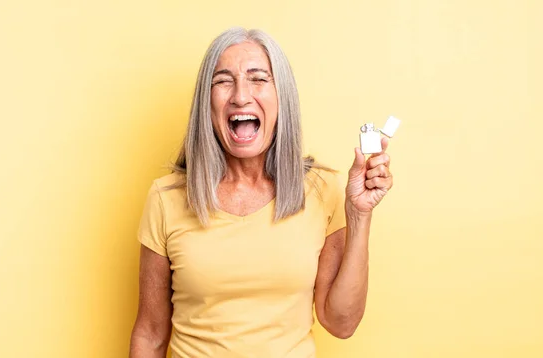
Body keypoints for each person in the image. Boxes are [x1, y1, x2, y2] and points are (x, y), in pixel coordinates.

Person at [129, 27, 393, 358]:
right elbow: (150, 335)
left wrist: (359, 215)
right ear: (206, 104)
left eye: (258, 79)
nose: (241, 95)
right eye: (223, 80)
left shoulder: (322, 190)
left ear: (282, 98)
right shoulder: (166, 198)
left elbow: (341, 323)